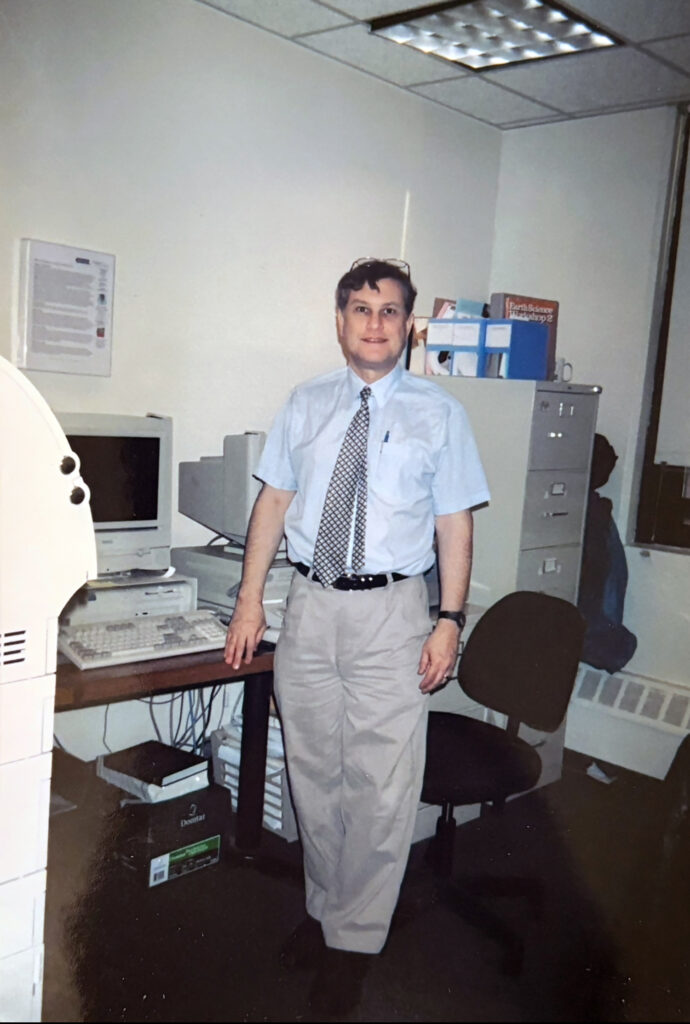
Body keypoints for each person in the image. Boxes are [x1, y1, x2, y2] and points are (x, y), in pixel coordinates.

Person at [224, 258, 489, 1016]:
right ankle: (326, 911)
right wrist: (251, 603)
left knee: (379, 785)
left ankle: (355, 942)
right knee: (314, 770)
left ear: (407, 328)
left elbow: (453, 523)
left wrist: (450, 621)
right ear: (340, 321)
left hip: (392, 613)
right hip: (308, 606)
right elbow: (274, 504)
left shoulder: (440, 414)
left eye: (391, 311)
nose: (376, 322)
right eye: (361, 308)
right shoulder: (304, 404)